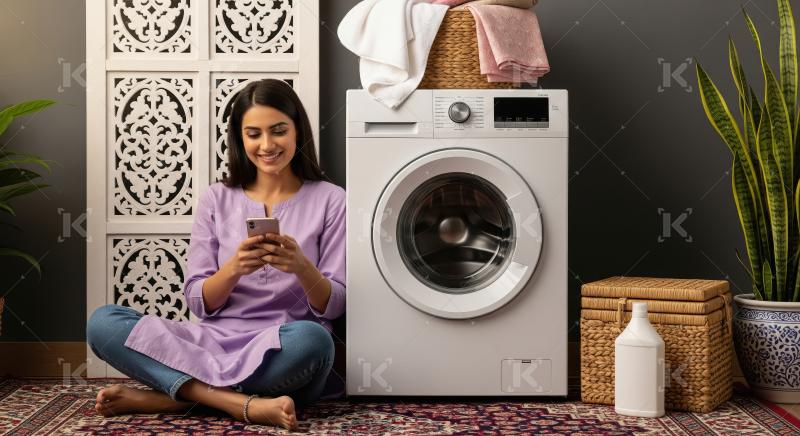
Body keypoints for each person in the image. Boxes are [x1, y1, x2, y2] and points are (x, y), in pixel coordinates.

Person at [86, 79, 346, 431]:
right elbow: (197, 301)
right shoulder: (216, 198)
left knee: (315, 341)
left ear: (298, 130)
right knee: (103, 323)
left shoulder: (331, 199)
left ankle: (173, 398)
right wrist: (234, 269)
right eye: (253, 134)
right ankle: (240, 404)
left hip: (282, 347)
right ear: (239, 138)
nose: (267, 145)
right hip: (212, 343)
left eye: (278, 131)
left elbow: (335, 305)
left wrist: (302, 267)